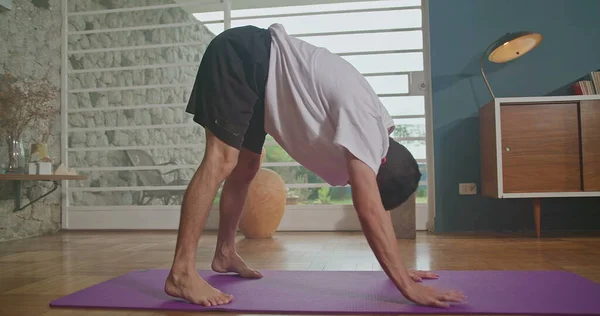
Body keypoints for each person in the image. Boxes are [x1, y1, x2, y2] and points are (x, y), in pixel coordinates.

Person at [164, 23, 465, 308]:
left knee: (246, 167)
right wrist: (406, 286)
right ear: (380, 161)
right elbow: (370, 209)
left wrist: (399, 267)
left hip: (263, 83)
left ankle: (225, 253)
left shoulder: (377, 129)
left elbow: (376, 203)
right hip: (244, 56)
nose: (349, 182)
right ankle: (181, 273)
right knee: (221, 160)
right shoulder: (365, 126)